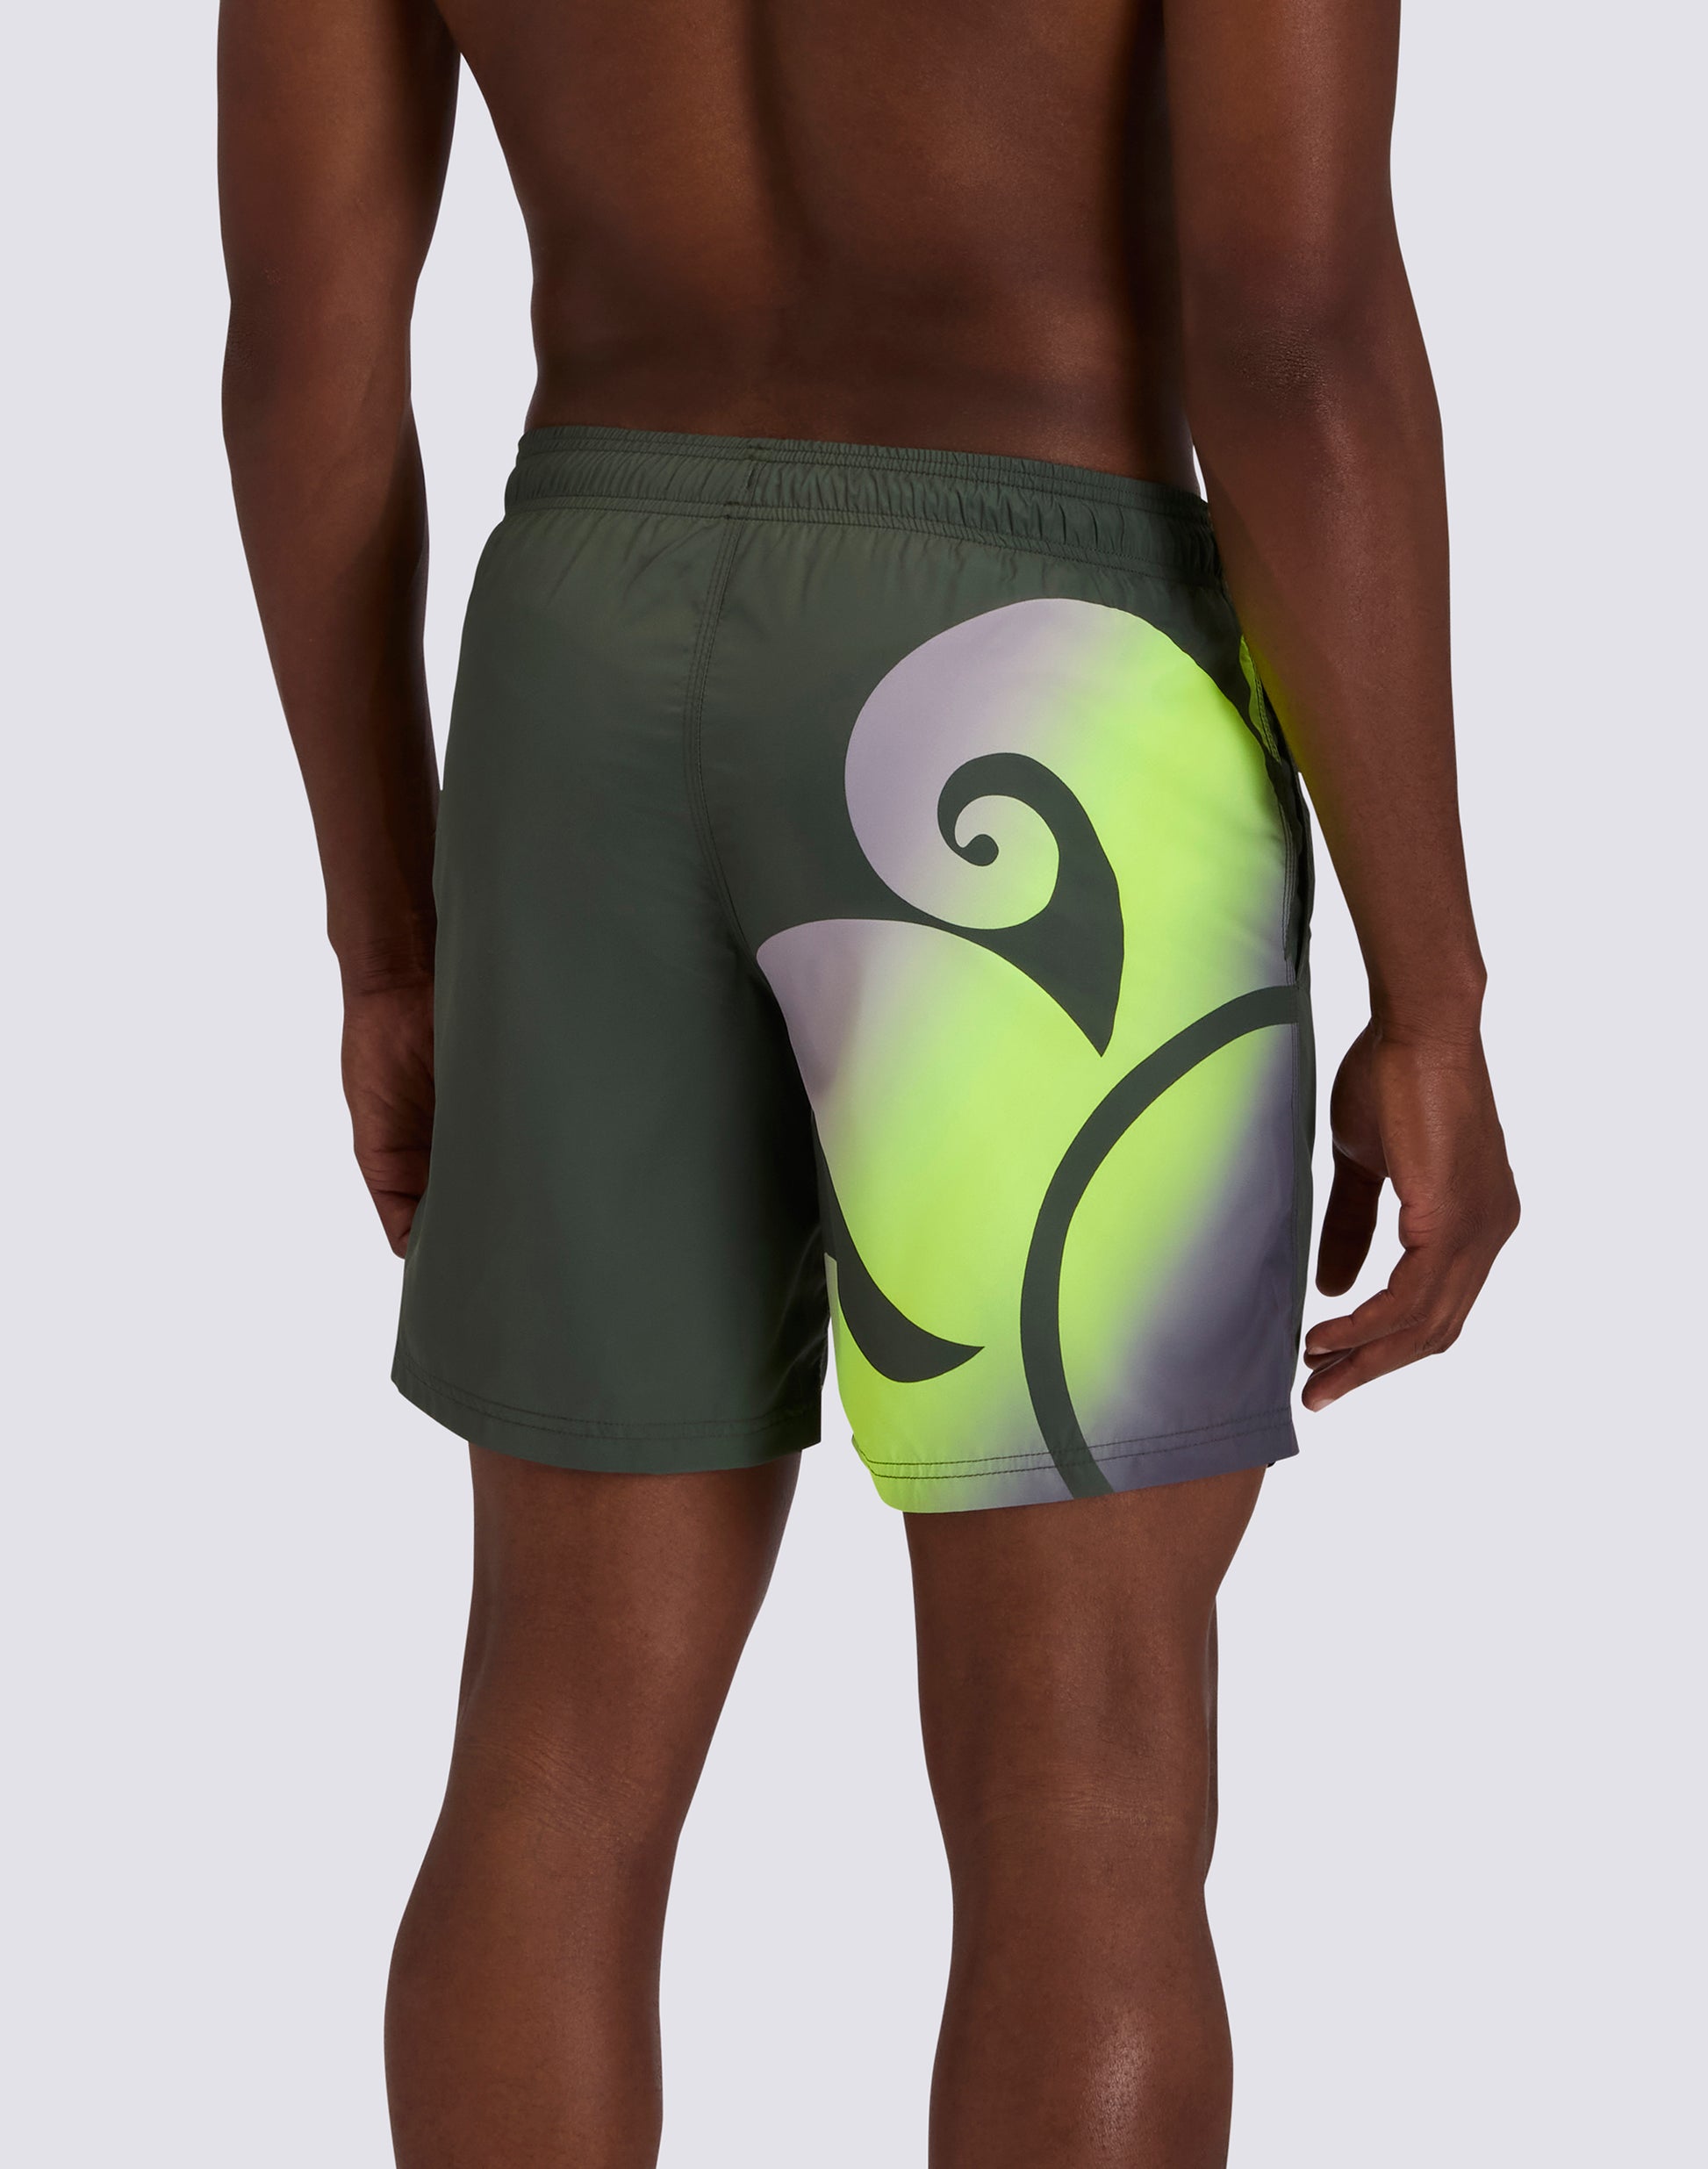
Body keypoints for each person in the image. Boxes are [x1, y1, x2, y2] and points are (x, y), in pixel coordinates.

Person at [219, 0, 1518, 2158]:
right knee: (1081, 1772)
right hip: (1040, 680)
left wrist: (384, 917)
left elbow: (301, 342)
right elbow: (1292, 327)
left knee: (554, 1732)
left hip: (578, 661)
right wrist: (1436, 985)